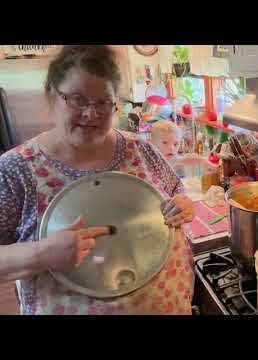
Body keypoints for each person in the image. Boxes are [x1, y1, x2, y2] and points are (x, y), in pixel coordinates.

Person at [0, 45, 195, 315]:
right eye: (77, 99)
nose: (91, 113)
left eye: (103, 102)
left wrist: (183, 206)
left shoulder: (141, 149)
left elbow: (176, 193)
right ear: (52, 96)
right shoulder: (16, 170)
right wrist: (41, 254)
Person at [150, 120, 215, 177]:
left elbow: (185, 160)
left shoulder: (172, 158)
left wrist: (203, 160)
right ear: (153, 143)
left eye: (176, 144)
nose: (171, 148)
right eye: (165, 143)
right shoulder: (150, 159)